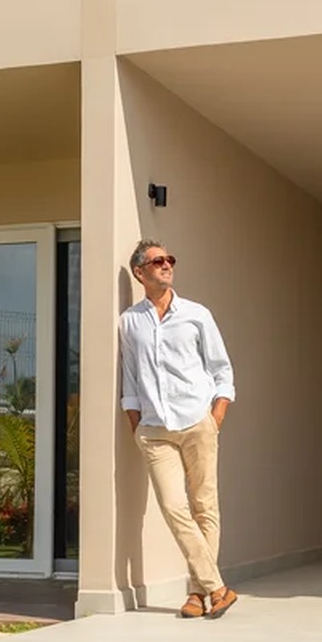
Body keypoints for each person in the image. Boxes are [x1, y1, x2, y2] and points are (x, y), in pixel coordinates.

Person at [120, 239, 239, 619]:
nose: (166, 265)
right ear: (140, 272)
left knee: (205, 507)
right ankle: (217, 587)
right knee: (174, 507)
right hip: (155, 431)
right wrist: (137, 425)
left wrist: (215, 417)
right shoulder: (130, 322)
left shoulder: (196, 314)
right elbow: (130, 381)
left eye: (169, 259)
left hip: (197, 422)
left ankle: (196, 593)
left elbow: (222, 370)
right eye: (157, 261)